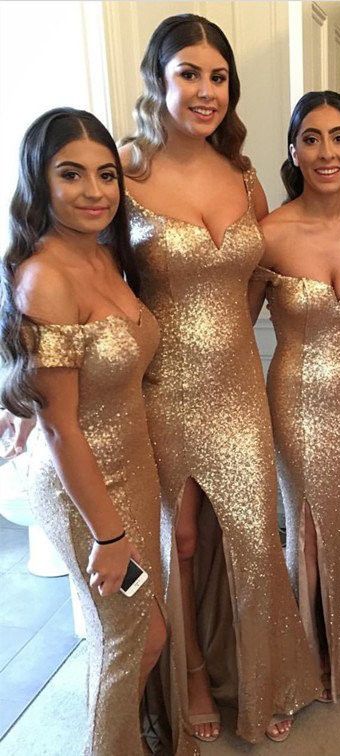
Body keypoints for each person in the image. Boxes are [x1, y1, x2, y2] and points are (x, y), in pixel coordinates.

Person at [121, 14, 320, 743]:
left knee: (253, 533)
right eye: (189, 74)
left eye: (219, 77)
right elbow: (87, 278)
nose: (206, 91)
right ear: (158, 78)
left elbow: (265, 274)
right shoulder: (123, 171)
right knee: (178, 540)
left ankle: (263, 675)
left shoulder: (244, 175)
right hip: (158, 388)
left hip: (237, 387)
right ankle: (194, 675)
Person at [0, 108, 196, 756]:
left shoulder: (107, 257)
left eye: (106, 175)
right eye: (71, 174)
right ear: (39, 180)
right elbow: (59, 425)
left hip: (132, 474)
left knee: (145, 632)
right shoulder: (45, 278)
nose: (94, 191)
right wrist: (110, 537)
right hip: (85, 493)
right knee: (131, 639)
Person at [249, 91, 340, 702]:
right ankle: (298, 666)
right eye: (311, 138)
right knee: (302, 526)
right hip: (296, 398)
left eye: (338, 137)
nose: (326, 152)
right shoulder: (270, 233)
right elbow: (233, 323)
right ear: (294, 149)